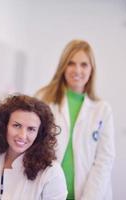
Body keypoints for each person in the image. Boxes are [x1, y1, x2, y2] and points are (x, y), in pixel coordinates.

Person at [36, 39, 115, 200]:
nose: (77, 70)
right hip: (49, 191)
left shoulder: (102, 109)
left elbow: (104, 160)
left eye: (84, 64)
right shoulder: (43, 99)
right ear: (63, 66)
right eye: (71, 63)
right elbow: (34, 146)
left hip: (91, 194)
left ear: (92, 69)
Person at [0, 94, 67, 200]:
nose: (22, 135)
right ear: (4, 125)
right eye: (16, 126)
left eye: (31, 129)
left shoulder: (51, 172)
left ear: (39, 134)